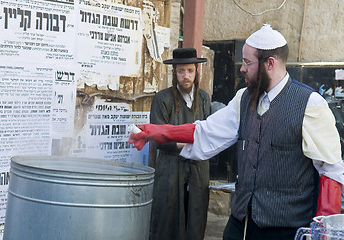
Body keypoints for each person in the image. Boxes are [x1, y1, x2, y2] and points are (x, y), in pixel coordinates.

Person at [129, 24, 344, 240]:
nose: (242, 68)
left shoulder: (310, 104)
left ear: (270, 63)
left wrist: (323, 233)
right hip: (241, 222)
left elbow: (330, 171)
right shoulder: (244, 98)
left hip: (286, 228)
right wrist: (154, 131)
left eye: (248, 63)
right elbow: (205, 132)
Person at [147, 47, 211, 240]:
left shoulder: (204, 99)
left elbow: (208, 133)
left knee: (195, 221)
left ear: (196, 72)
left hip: (198, 170)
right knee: (168, 223)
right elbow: (158, 137)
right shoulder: (163, 99)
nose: (186, 76)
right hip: (171, 169)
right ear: (174, 73)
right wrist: (188, 145)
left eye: (190, 71)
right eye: (181, 71)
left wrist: (196, 145)